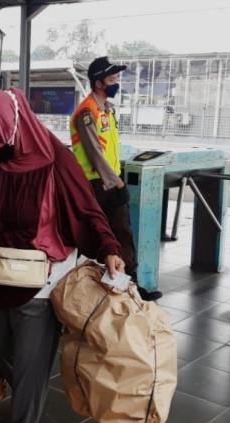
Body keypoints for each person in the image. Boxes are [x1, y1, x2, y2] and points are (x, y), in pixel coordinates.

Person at [0, 88, 124, 423]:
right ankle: (28, 394)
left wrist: (109, 247)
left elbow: (88, 209)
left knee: (30, 369)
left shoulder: (55, 159)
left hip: (42, 281)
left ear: (11, 127)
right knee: (0, 351)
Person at [70, 56, 162, 301]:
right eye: (112, 79)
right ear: (98, 83)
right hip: (95, 185)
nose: (116, 83)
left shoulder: (106, 111)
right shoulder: (86, 113)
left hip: (109, 180)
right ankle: (103, 289)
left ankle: (129, 286)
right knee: (103, 235)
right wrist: (117, 182)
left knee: (121, 232)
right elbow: (94, 153)